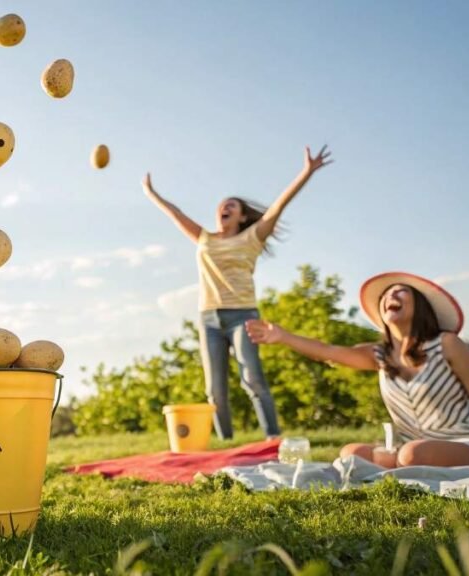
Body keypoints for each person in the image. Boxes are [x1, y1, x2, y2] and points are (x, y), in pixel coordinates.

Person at [245, 272, 469, 466]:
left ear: (420, 306)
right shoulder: (379, 355)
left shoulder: (447, 344)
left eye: (400, 292)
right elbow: (329, 352)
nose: (389, 297)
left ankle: (403, 466)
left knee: (411, 454)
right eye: (385, 295)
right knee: (351, 454)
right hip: (411, 448)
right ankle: (402, 466)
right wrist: (283, 337)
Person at [142, 146, 333, 439]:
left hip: (243, 315)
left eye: (232, 205)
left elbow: (278, 207)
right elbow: (176, 213)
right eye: (222, 205)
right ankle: (225, 441)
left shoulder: (252, 238)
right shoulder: (204, 238)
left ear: (242, 216)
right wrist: (152, 194)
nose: (224, 207)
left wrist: (306, 172)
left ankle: (272, 438)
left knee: (252, 377)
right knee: (214, 388)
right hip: (208, 318)